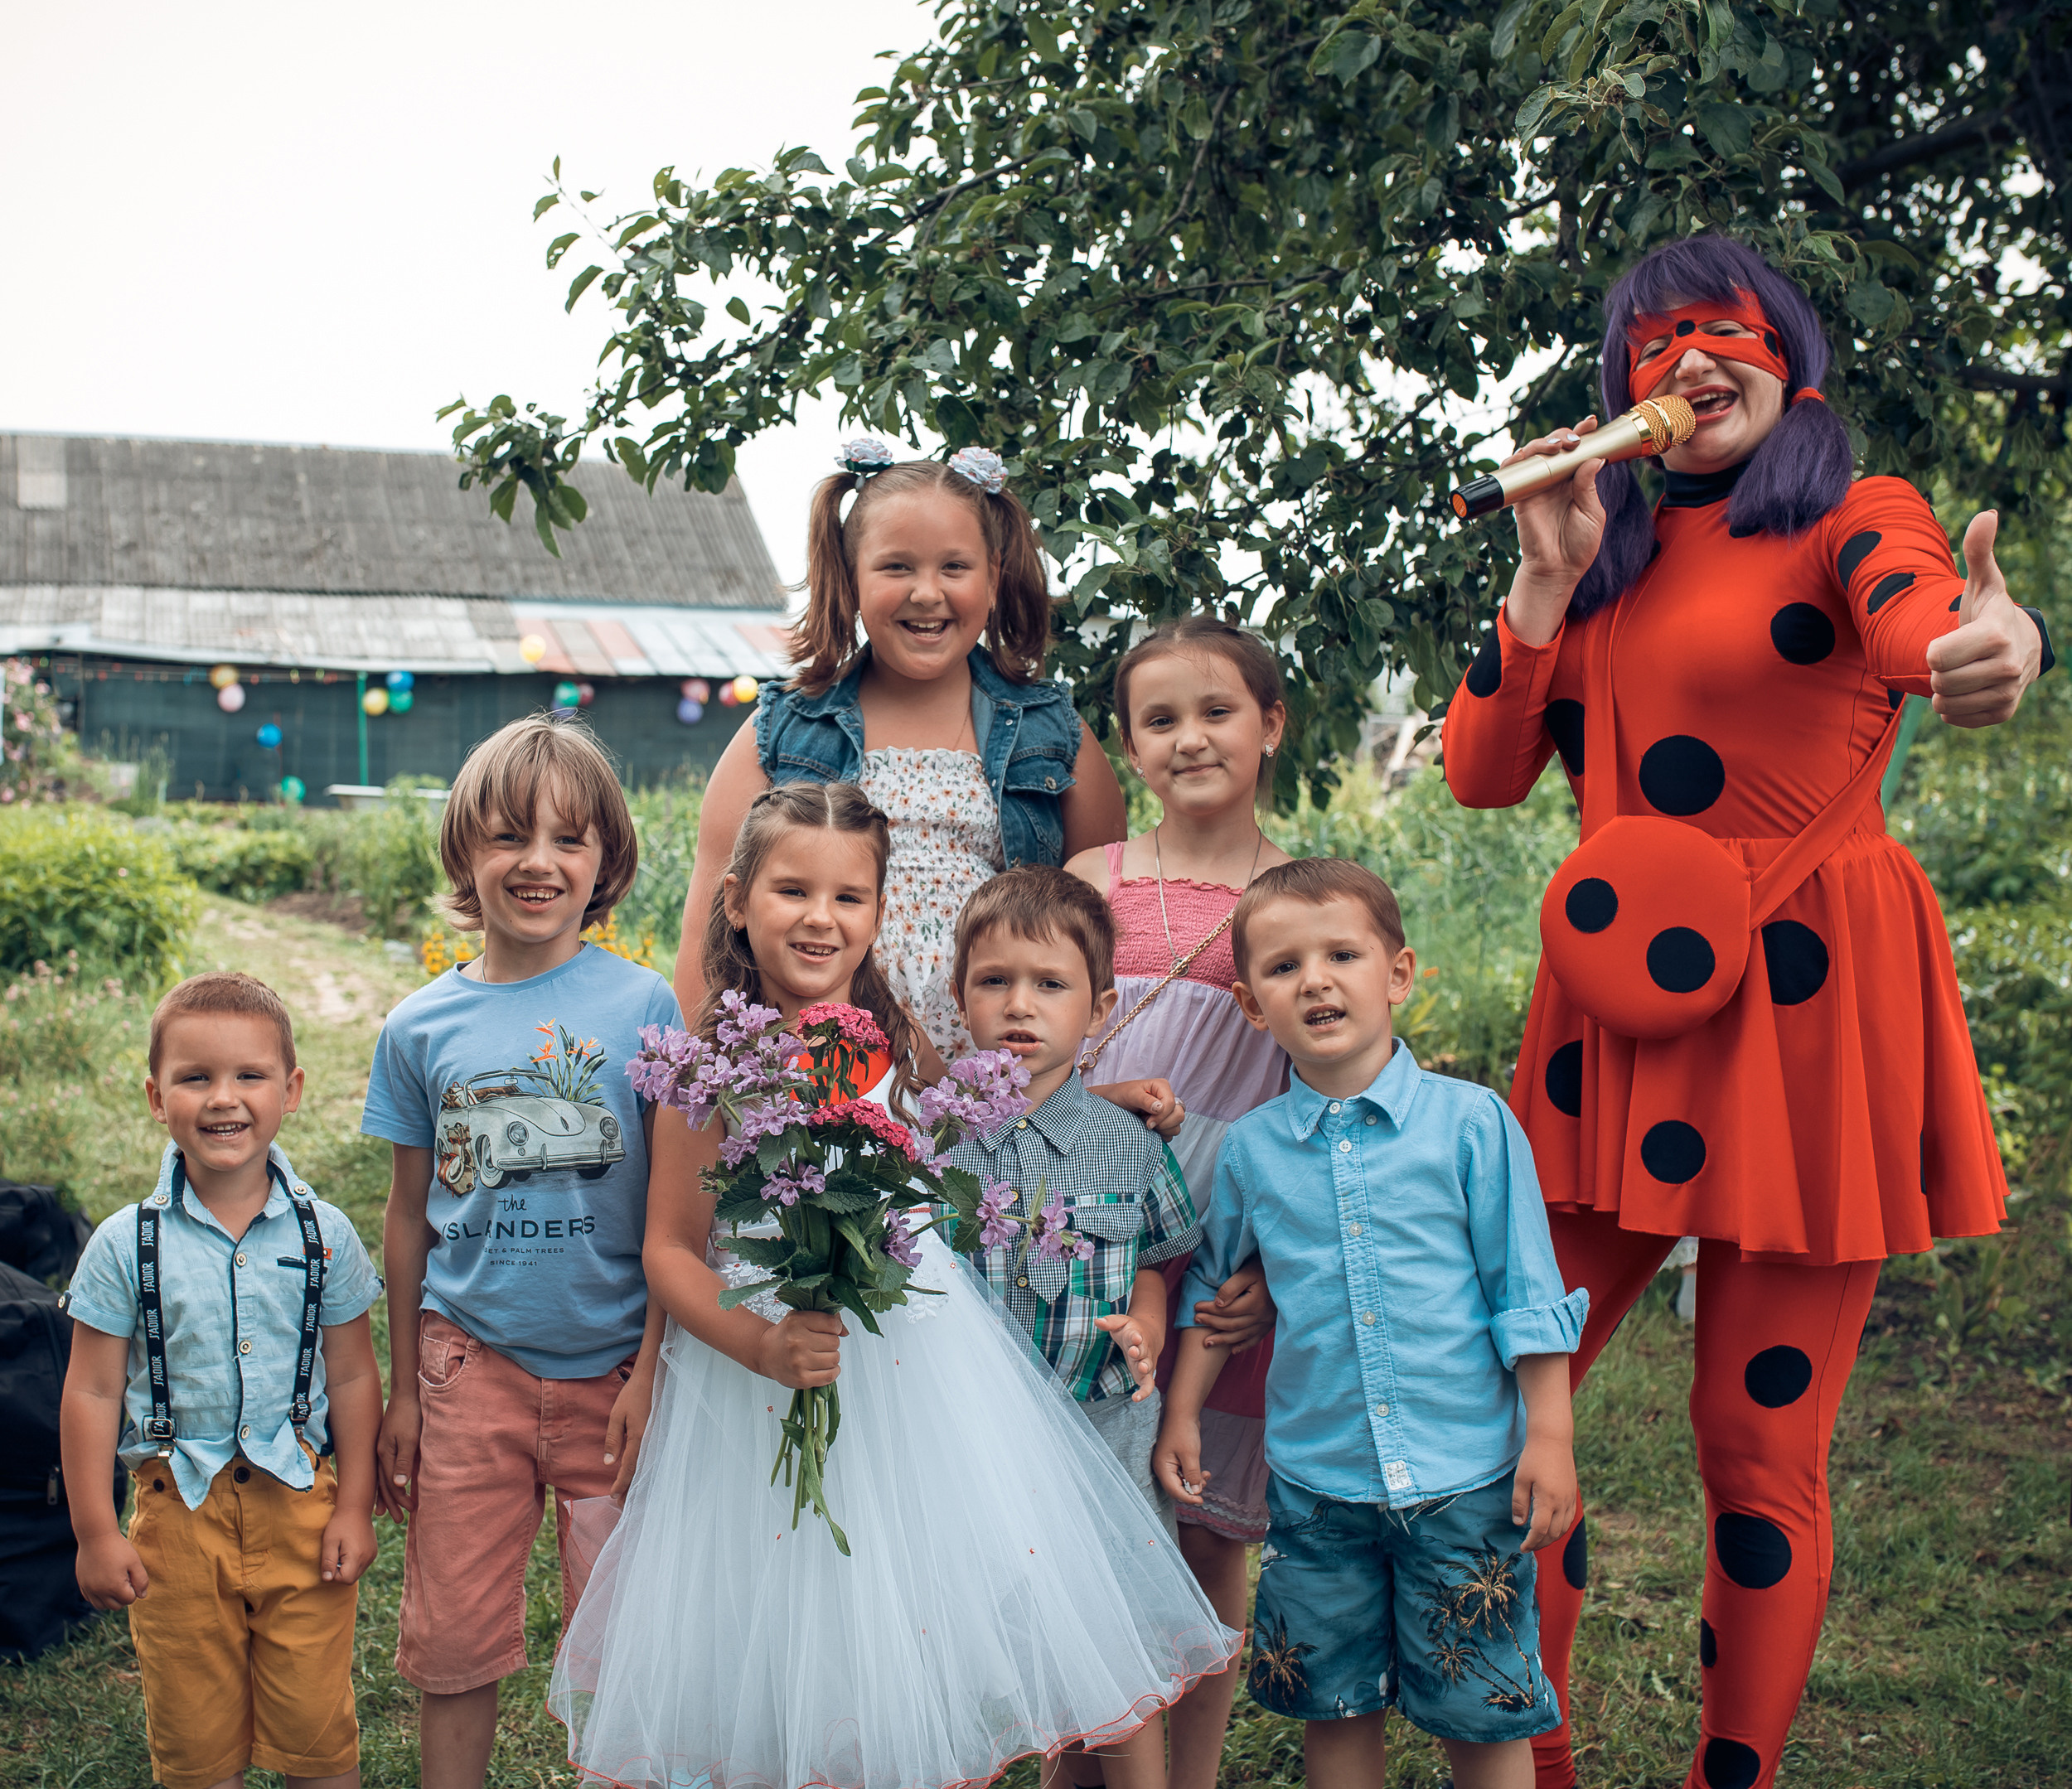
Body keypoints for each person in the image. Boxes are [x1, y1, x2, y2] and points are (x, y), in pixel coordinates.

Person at [1440, 232, 2054, 1789]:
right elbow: (1484, 770)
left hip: (1804, 1003)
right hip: (1617, 1010)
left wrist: (1992, 645)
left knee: (1755, 1436)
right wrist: (1542, 572)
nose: (1688, 364)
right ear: (1617, 390)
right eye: (1650, 347)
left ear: (1791, 356)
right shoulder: (1599, 552)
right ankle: (1542, 1765)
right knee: (1506, 1397)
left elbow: (1929, 623)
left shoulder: (1856, 510)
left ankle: (1738, 1775)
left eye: (1723, 332)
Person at [551, 784, 1238, 1789]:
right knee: (774, 1606)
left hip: (911, 1369)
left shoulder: (899, 1044)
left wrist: (1102, 1096)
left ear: (880, 912)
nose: (820, 917)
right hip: (755, 1373)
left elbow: (986, 1118)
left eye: (849, 895)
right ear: (737, 900)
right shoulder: (711, 1068)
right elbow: (670, 1248)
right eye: (792, 889)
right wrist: (755, 1347)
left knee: (908, 1611)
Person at [1154, 859, 1587, 1789]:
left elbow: (1526, 1290)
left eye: (1341, 953)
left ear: (1397, 972)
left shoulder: (1472, 1127)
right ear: (1247, 1003)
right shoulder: (1253, 1150)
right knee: (1333, 1705)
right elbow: (1214, 1297)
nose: (1314, 979)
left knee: (1481, 1708)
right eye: (1282, 966)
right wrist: (1183, 1411)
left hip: (1465, 1476)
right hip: (1318, 1489)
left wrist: (1547, 1434)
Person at [363, 713, 679, 1789]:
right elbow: (409, 1212)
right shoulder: (419, 1026)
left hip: (615, 1377)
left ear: (606, 863)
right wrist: (404, 1384)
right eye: (507, 836)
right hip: (469, 1371)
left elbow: (674, 1207)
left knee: (627, 1645)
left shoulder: (646, 1006)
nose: (537, 861)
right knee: (454, 1636)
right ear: (466, 853)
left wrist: (659, 1361)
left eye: (568, 839)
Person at [675, 441, 1128, 1061]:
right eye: (896, 567)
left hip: (1002, 1088)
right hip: (817, 1082)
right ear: (852, 575)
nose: (926, 593)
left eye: (954, 567)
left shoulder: (1050, 733)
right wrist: (703, 1077)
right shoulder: (785, 729)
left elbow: (1101, 936)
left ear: (993, 577)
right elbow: (709, 928)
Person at [1062, 617, 1292, 1789]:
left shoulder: (1300, 897)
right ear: (1129, 745)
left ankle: (1187, 1773)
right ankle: (1076, 1761)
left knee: (1205, 1528)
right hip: (1088, 1253)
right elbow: (1034, 1046)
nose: (1190, 737)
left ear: (1271, 724)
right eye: (1160, 718)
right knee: (1084, 1527)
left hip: (1227, 1257)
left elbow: (1331, 1084)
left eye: (1217, 710)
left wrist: (1275, 1262)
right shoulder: (1089, 879)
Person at [60, 972, 385, 1789]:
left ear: (292, 1089)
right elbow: (92, 1391)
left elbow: (350, 1372)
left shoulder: (326, 1235)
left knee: (319, 1738)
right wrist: (97, 1530)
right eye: (194, 1077)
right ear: (155, 1095)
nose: (223, 1099)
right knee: (195, 1748)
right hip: (177, 1519)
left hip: (300, 1511)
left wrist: (353, 1503)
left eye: (249, 1075)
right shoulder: (122, 1243)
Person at [942, 866, 1204, 1789]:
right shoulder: (933, 1146)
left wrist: (1146, 1322)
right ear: (958, 996)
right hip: (975, 1449)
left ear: (1097, 1010)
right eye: (994, 980)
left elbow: (1164, 1261)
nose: (1021, 1005)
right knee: (1009, 1653)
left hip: (1102, 1435)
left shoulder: (1129, 1142)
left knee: (1121, 1652)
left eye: (1050, 985)